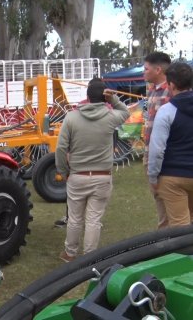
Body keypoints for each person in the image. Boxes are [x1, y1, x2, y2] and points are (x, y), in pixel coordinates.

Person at [56, 78, 130, 262]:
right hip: (102, 177)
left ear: (87, 96)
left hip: (77, 176)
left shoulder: (71, 117)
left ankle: (70, 253)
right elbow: (125, 111)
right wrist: (113, 99)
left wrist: (63, 171)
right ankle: (89, 258)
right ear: (105, 97)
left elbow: (61, 148)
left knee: (74, 219)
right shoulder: (110, 117)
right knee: (93, 220)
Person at [148, 62, 193, 227]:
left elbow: (157, 149)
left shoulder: (166, 111)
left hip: (173, 176)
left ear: (171, 84)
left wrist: (153, 176)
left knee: (179, 227)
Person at [142, 52, 172, 229]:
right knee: (159, 200)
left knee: (170, 206)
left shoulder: (171, 90)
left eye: (146, 69)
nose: (143, 73)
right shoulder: (152, 90)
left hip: (166, 158)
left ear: (158, 69)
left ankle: (169, 246)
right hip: (151, 155)